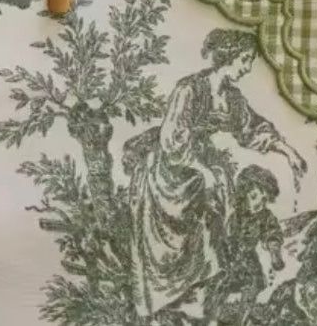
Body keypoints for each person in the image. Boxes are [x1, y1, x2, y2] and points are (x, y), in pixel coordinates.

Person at [126, 28, 307, 321]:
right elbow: (171, 138)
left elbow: (252, 129)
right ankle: (168, 306)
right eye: (245, 60)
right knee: (200, 212)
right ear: (229, 56)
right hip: (171, 173)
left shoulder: (232, 98)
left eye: (250, 61)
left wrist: (289, 152)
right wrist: (202, 170)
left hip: (203, 170)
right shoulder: (190, 88)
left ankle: (203, 304)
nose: (248, 68)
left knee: (217, 216)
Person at [205, 165, 286, 326]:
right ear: (244, 194)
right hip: (229, 260)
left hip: (248, 261)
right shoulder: (235, 214)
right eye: (255, 196)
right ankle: (210, 319)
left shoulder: (265, 217)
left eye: (264, 199)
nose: (260, 204)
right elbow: (223, 236)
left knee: (252, 287)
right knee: (219, 287)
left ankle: (240, 321)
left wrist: (274, 252)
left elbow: (272, 233)